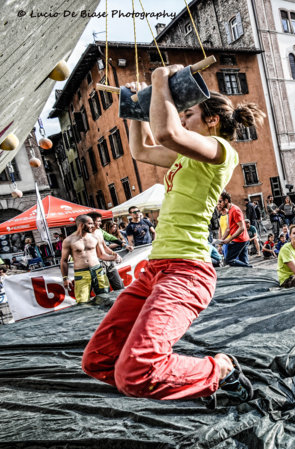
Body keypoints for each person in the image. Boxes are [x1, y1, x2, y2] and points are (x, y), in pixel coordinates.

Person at [82, 70, 265, 403]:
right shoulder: (186, 156)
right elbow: (141, 149)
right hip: (155, 270)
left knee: (135, 372)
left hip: (187, 271)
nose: (182, 119)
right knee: (97, 360)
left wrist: (159, 79)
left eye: (188, 114)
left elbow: (166, 132)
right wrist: (135, 106)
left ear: (211, 121)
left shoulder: (220, 151)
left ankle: (219, 370)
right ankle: (185, 378)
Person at [61, 215, 119, 304]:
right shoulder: (69, 240)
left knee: (106, 297)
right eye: (90, 223)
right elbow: (64, 260)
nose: (93, 226)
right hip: (81, 273)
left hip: (98, 270)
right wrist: (65, 278)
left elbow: (102, 255)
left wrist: (114, 257)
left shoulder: (95, 237)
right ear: (81, 225)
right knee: (82, 302)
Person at [87, 211, 126, 291]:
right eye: (99, 221)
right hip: (97, 265)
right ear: (92, 222)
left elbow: (104, 246)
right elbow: (100, 255)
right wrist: (114, 257)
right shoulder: (87, 235)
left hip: (108, 262)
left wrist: (114, 254)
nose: (101, 223)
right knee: (104, 291)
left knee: (119, 286)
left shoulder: (99, 231)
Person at [218, 191, 252, 267]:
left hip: (240, 240)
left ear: (226, 200)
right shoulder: (229, 211)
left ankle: (249, 268)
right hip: (241, 239)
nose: (219, 203)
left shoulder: (235, 210)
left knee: (228, 260)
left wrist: (229, 239)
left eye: (220, 201)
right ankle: (248, 270)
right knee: (243, 261)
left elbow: (242, 228)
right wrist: (221, 241)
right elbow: (228, 229)